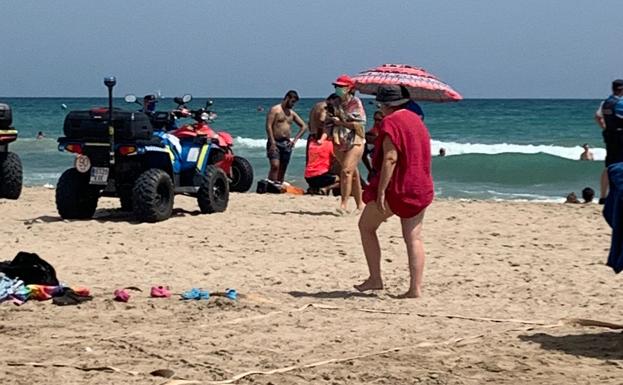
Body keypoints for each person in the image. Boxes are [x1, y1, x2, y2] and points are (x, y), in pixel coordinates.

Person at [356, 85, 434, 298]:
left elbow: (391, 157)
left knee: (366, 226)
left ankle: (375, 278)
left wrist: (381, 191)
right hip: (421, 186)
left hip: (399, 187)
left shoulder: (391, 122)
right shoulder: (417, 119)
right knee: (414, 238)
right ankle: (415, 289)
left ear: (386, 105)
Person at [329, 75, 366, 214]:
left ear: (349, 88)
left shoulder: (355, 102)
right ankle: (360, 203)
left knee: (346, 171)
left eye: (341, 86)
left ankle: (343, 204)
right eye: (336, 86)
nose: (338, 89)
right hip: (340, 139)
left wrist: (341, 122)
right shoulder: (336, 102)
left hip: (355, 139)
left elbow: (359, 124)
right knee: (353, 172)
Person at [265, 90, 307, 184]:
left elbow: (304, 126)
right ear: (287, 98)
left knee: (283, 168)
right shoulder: (275, 110)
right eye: (292, 102)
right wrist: (272, 142)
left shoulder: (291, 113)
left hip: (286, 143)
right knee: (275, 165)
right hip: (275, 141)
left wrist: (294, 141)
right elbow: (268, 126)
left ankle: (278, 185)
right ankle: (270, 184)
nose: (293, 104)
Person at [595, 79, 623, 204]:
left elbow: (598, 116)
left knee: (609, 166)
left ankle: (603, 196)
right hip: (621, 136)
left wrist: (605, 127)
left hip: (610, 135)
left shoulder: (605, 103)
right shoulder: (620, 103)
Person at [362, 111, 384, 181]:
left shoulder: (387, 133)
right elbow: (364, 155)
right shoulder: (370, 135)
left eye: (379, 120)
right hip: (376, 168)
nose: (377, 122)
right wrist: (370, 170)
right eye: (375, 120)